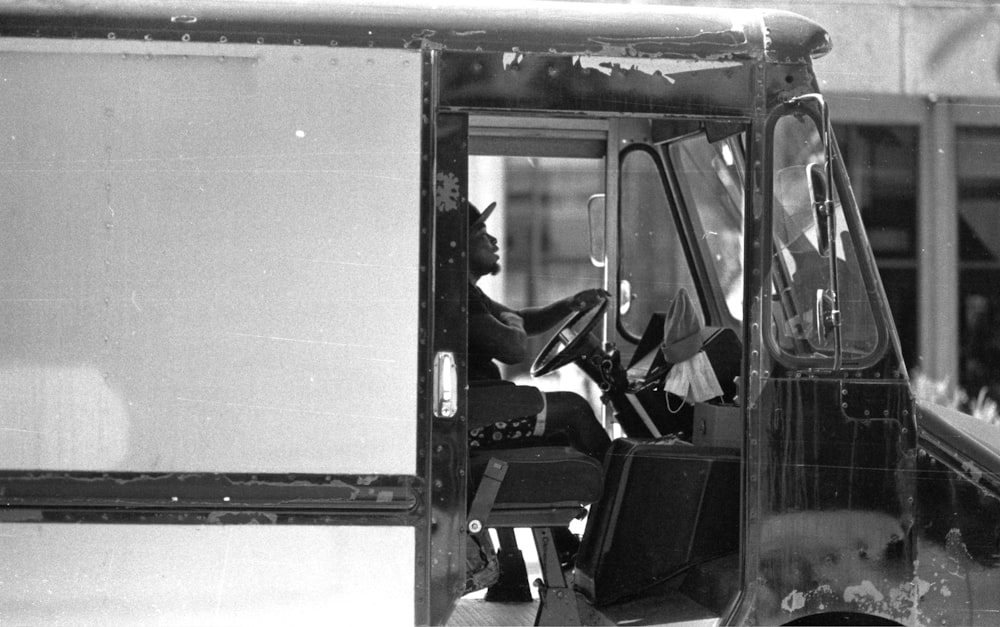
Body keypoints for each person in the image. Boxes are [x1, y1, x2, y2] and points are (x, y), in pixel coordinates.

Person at [466, 201, 611, 461]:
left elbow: (520, 320)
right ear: (460, 246)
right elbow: (513, 347)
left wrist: (568, 306)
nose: (494, 240)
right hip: (479, 415)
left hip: (483, 405)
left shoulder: (470, 293)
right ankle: (618, 493)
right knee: (574, 409)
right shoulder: (460, 295)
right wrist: (513, 322)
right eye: (481, 234)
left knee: (565, 427)